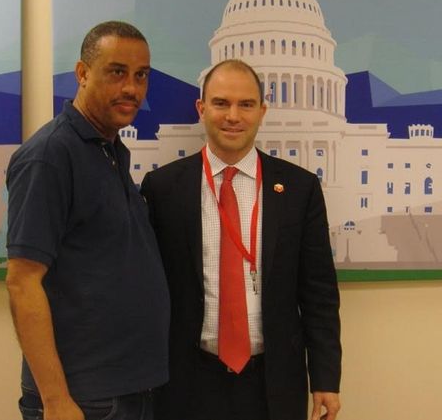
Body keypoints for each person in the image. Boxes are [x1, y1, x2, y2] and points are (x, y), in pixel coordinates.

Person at [140, 59, 342, 420]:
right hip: (188, 379)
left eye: (246, 104)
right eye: (220, 103)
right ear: (201, 109)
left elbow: (319, 294)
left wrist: (325, 379)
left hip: (273, 380)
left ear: (262, 111)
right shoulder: (163, 189)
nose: (233, 116)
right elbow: (147, 291)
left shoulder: (299, 188)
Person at [6, 21, 169, 420]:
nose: (131, 88)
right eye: (117, 72)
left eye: (141, 76)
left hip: (129, 388)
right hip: (85, 398)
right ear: (82, 73)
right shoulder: (50, 156)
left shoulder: (111, 150)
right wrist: (56, 401)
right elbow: (22, 282)